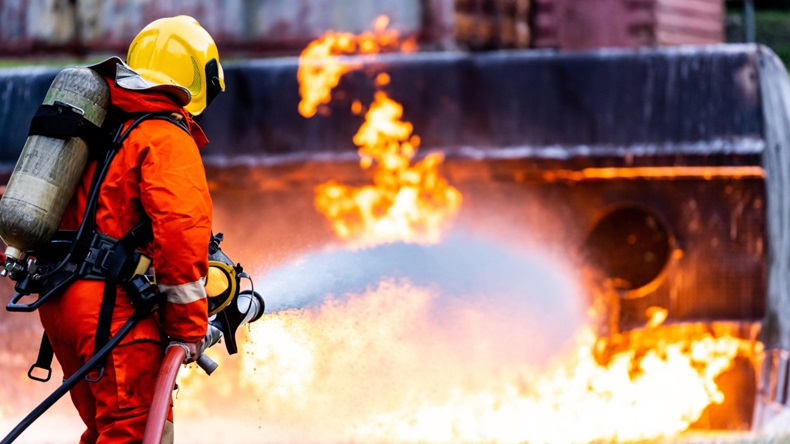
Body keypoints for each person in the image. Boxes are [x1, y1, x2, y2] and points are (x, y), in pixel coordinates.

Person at [36, 15, 224, 443]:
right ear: (199, 79)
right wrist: (187, 329)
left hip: (61, 303)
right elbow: (180, 230)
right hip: (112, 311)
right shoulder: (163, 135)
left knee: (106, 430)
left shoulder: (101, 127)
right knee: (136, 433)